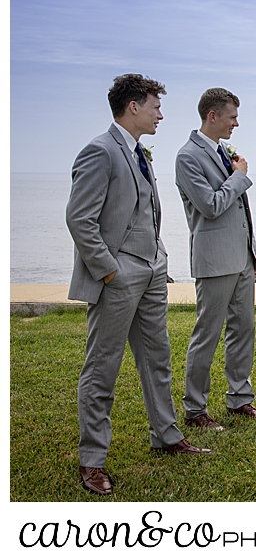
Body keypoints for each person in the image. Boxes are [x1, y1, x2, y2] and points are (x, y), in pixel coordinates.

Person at [66, 74, 210, 496]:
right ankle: (93, 461)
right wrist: (110, 270)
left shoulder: (137, 151)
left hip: (150, 272)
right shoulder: (100, 151)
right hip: (119, 276)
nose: (160, 114)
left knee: (157, 357)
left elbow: (144, 211)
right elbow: (80, 220)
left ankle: (165, 435)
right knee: (102, 368)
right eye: (155, 106)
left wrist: (157, 257)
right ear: (133, 107)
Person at [175, 87, 256, 431]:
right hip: (214, 261)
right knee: (208, 334)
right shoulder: (188, 157)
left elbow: (240, 210)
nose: (236, 123)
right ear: (212, 116)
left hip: (242, 259)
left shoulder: (223, 152)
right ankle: (195, 408)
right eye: (232, 116)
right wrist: (240, 177)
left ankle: (239, 399)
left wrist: (254, 250)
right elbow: (212, 206)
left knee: (243, 330)